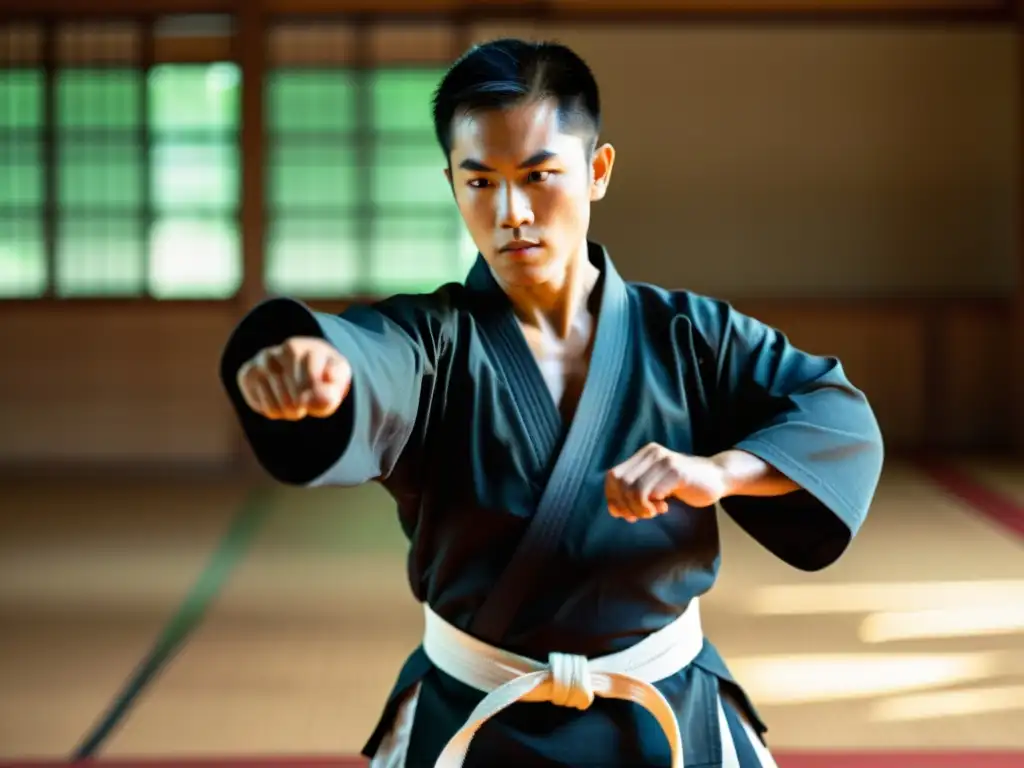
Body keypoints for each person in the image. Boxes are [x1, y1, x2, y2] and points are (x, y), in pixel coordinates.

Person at [220, 38, 884, 768]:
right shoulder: (432, 343)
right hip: (478, 720)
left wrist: (720, 472)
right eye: (481, 183)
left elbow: (831, 410)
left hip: (664, 719)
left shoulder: (688, 335)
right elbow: (373, 357)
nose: (511, 212)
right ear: (452, 185)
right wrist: (323, 365)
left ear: (597, 171)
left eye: (539, 176)